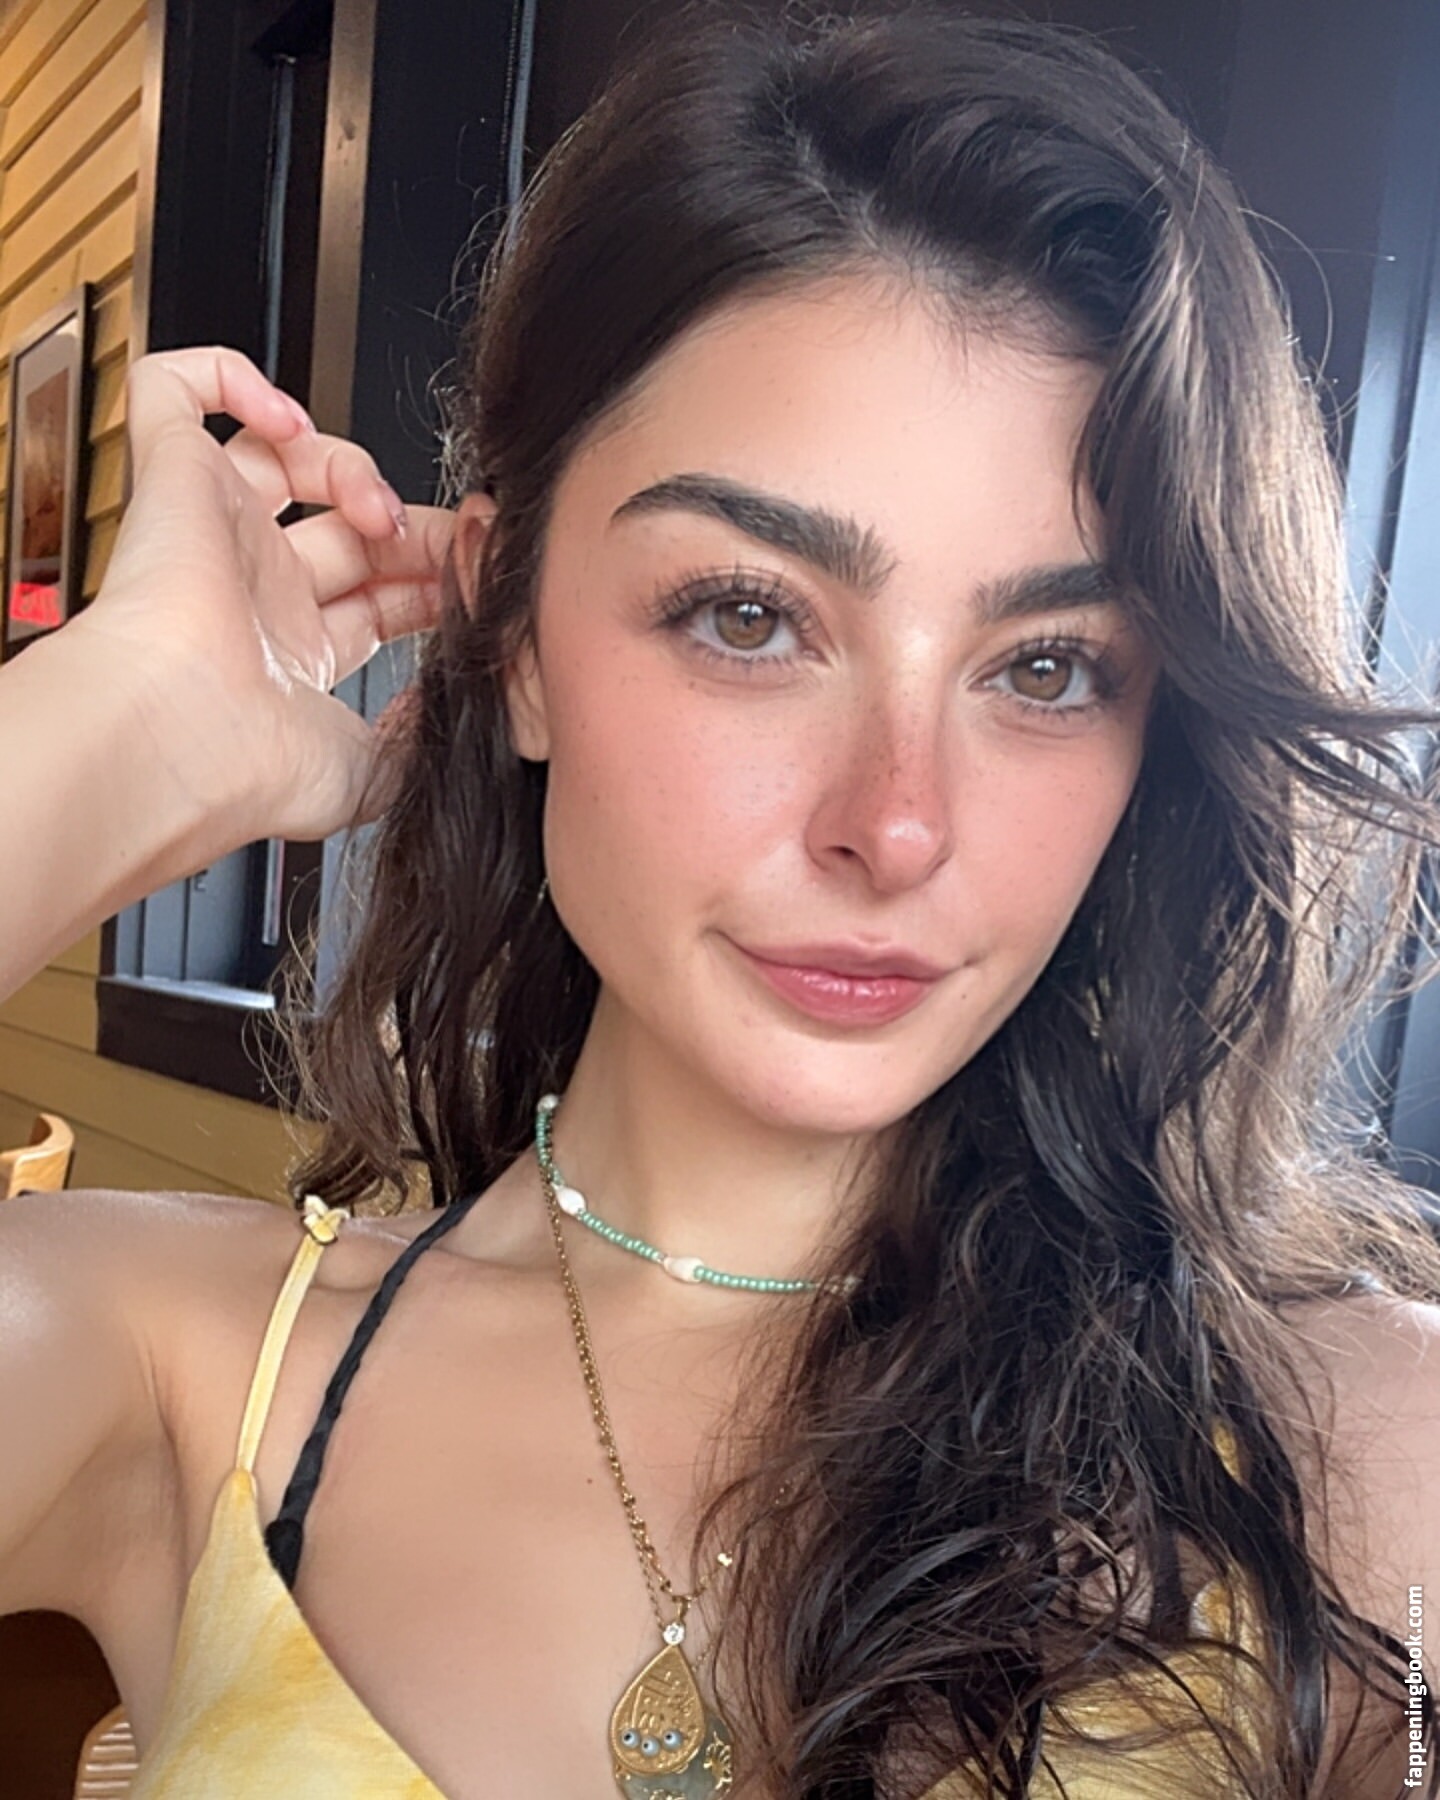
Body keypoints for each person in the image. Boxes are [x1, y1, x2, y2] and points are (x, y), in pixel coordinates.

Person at [2, 2, 1439, 1795]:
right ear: (519, 638)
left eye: (1049, 666)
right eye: (749, 617)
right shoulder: (176, 1365)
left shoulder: (1357, 1450)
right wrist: (122, 731)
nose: (894, 827)